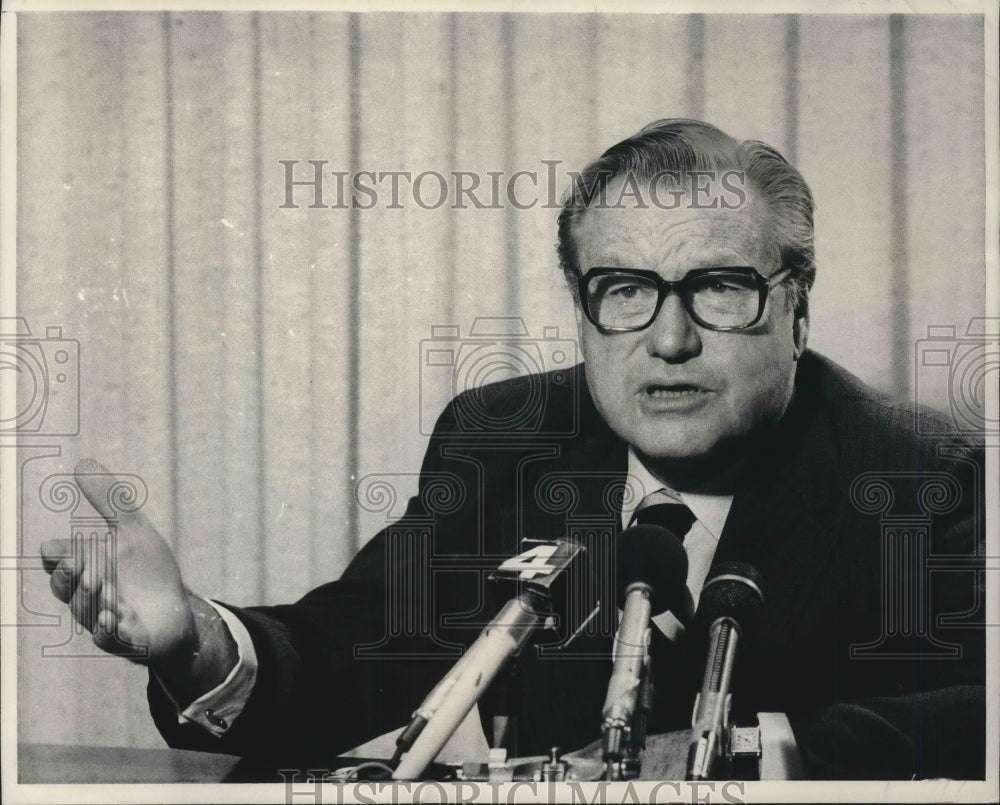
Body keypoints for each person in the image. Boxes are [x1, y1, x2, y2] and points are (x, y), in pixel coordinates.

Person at [41, 119, 985, 780]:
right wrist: (199, 645)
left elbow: (970, 720)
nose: (668, 340)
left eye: (720, 288)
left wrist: (729, 753)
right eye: (624, 289)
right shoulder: (508, 441)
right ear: (582, 307)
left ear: (796, 303)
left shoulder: (913, 472)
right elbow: (356, 645)